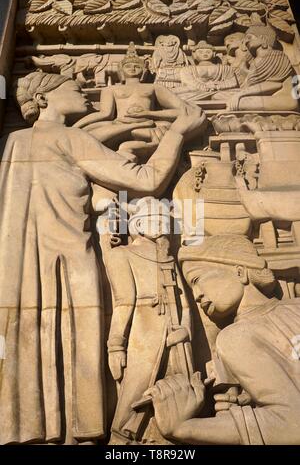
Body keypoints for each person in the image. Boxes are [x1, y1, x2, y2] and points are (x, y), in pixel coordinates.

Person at [0, 71, 205, 444]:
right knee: (75, 340)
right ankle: (82, 432)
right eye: (71, 87)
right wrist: (178, 132)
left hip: (16, 269)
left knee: (28, 341)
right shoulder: (72, 139)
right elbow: (147, 180)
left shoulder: (11, 143)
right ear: (43, 99)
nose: (84, 93)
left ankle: (28, 429)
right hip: (70, 262)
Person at [146, 234, 300, 445]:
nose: (197, 295)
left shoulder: (236, 337)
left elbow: (290, 424)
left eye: (198, 280)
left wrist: (185, 428)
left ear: (239, 271)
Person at [99, 197, 193, 444]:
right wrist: (115, 346)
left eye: (164, 219)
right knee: (134, 390)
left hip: (176, 338)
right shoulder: (123, 255)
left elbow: (184, 303)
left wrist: (185, 330)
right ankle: (120, 441)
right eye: (155, 219)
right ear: (139, 224)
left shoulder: (168, 258)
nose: (161, 224)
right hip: (144, 333)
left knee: (179, 395)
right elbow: (124, 302)